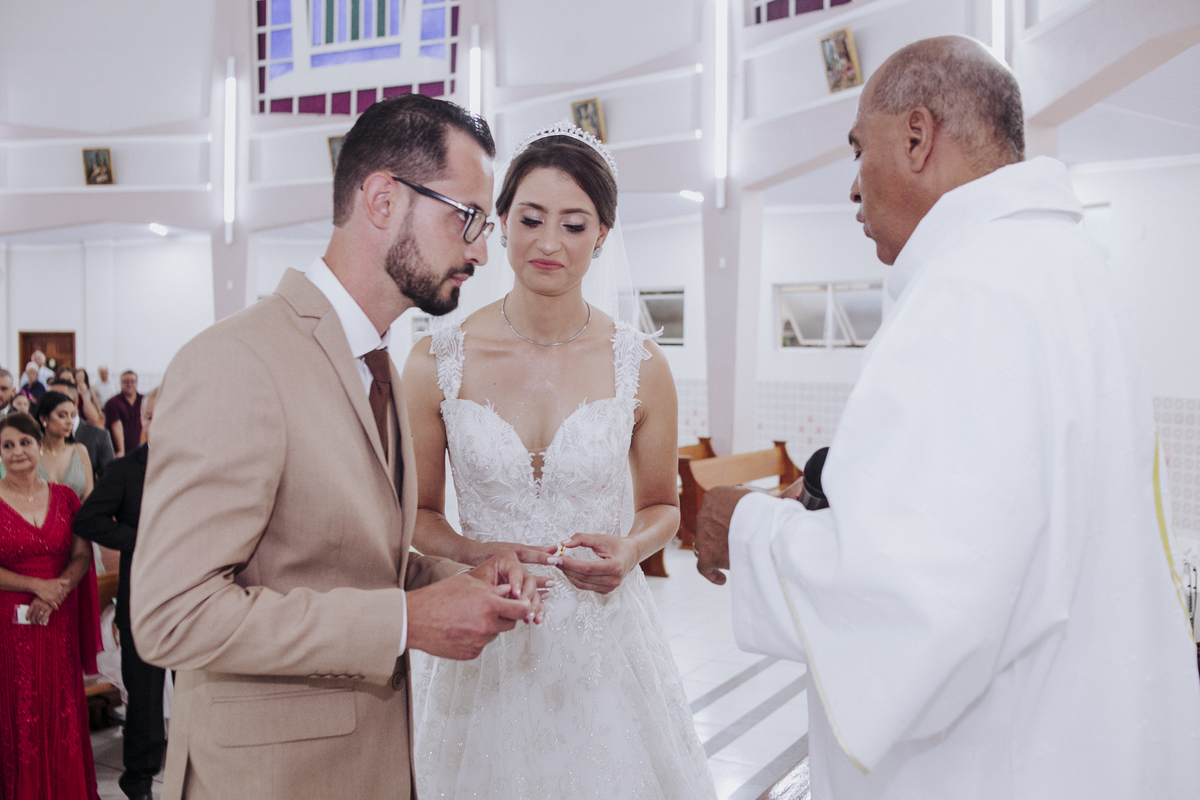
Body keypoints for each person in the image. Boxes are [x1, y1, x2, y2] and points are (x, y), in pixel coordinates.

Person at [693, 35, 1200, 800]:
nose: (853, 188)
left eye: (858, 149)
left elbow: (913, 602)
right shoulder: (1063, 268)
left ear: (917, 137)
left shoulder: (972, 293)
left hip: (997, 764)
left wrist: (746, 527)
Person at [130, 94, 544, 800]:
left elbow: (346, 558)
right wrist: (406, 621)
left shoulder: (378, 363)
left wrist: (455, 579)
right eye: (468, 217)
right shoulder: (237, 361)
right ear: (383, 199)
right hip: (269, 781)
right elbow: (172, 616)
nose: (481, 250)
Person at [404, 122, 716, 799]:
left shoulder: (640, 363)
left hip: (604, 647)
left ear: (602, 235)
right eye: (531, 219)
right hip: (483, 631)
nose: (549, 243)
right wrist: (477, 553)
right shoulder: (436, 361)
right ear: (500, 223)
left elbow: (663, 506)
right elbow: (419, 515)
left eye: (574, 225)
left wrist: (631, 548)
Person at [0, 412, 102, 800]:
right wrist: (35, 585)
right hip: (9, 624)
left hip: (58, 619)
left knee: (60, 705)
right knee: (19, 709)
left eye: (24, 442)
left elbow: (82, 555)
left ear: (38, 445)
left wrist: (57, 590)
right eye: (7, 445)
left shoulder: (65, 498)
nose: (17, 452)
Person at [75, 388, 163, 800]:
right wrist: (141, 539)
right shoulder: (126, 469)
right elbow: (88, 519)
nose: (158, 422)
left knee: (196, 691)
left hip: (192, 597)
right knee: (143, 699)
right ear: (143, 420)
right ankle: (139, 781)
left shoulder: (198, 467)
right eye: (151, 415)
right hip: (142, 598)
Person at [50, 377, 115, 481]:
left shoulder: (99, 436)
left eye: (57, 399)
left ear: (75, 401)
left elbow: (110, 480)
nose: (51, 404)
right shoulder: (40, 435)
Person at [35, 390, 94, 503]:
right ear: (43, 418)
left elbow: (88, 496)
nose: (70, 422)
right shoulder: (32, 453)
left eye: (72, 416)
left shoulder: (80, 451)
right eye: (62, 416)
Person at [103, 371, 142, 458]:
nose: (129, 384)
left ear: (137, 383)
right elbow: (117, 425)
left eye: (132, 381)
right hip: (115, 452)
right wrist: (121, 451)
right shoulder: (113, 403)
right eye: (126, 382)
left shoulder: (143, 400)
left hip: (136, 450)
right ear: (121, 383)